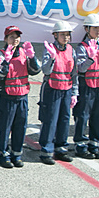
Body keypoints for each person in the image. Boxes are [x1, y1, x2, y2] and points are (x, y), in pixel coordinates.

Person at [0, 26, 41, 168]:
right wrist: (6, 62)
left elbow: (35, 71)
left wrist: (32, 57)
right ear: (6, 39)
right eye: (12, 37)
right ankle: (3, 155)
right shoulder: (0, 54)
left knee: (20, 126)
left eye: (17, 37)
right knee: (4, 127)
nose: (15, 40)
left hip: (22, 96)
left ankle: (17, 154)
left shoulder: (24, 53)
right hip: (7, 96)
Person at [38, 20, 79, 165]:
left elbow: (74, 73)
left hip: (66, 89)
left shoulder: (71, 50)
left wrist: (75, 92)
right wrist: (52, 58)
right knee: (50, 119)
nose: (66, 37)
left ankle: (61, 148)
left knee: (65, 119)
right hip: (52, 88)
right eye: (63, 34)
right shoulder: (49, 49)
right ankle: (46, 150)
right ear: (55, 35)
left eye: (68, 35)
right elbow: (45, 70)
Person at [73, 14, 99, 159]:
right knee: (82, 115)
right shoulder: (82, 47)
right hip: (86, 84)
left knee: (97, 115)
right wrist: (90, 58)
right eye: (95, 28)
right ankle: (80, 144)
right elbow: (81, 69)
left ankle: (94, 143)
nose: (98, 31)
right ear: (86, 29)